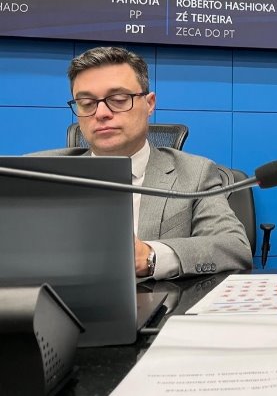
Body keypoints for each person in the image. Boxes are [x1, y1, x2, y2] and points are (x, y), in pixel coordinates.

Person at [40, 46, 251, 279]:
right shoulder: (40, 172)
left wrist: (150, 256)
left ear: (149, 104)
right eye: (87, 103)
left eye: (118, 99)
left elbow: (234, 247)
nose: (101, 113)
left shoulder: (195, 173)